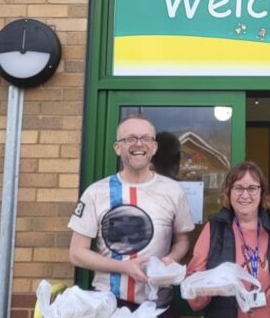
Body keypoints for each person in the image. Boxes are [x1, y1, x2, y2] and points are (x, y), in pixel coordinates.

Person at [68, 114, 195, 317]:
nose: (139, 144)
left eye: (146, 138)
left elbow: (183, 240)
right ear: (117, 147)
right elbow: (76, 253)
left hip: (159, 305)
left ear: (154, 147)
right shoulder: (96, 192)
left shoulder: (173, 191)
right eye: (130, 138)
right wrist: (123, 267)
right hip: (108, 305)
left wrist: (170, 259)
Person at [186, 161, 270, 318]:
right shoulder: (214, 230)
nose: (245, 195)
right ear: (229, 192)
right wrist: (211, 287)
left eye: (252, 188)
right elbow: (193, 294)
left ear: (262, 192)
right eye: (238, 188)